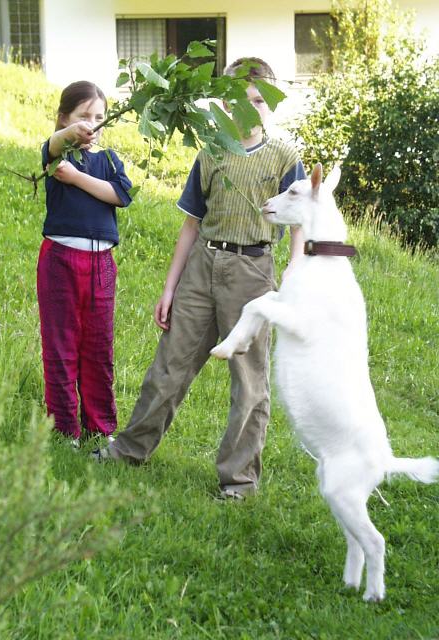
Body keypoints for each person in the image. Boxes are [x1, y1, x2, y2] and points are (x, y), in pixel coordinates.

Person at [95, 58, 306, 499]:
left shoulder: (285, 157)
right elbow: (191, 224)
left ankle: (239, 481)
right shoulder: (211, 151)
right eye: (240, 101)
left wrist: (294, 271)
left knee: (249, 380)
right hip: (202, 266)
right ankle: (129, 449)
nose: (249, 109)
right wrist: (170, 288)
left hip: (252, 272)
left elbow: (300, 221)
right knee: (169, 365)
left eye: (259, 101)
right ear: (225, 104)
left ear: (270, 103)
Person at [37, 80, 132, 447]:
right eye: (83, 117)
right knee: (60, 345)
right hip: (60, 260)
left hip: (100, 264)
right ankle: (64, 429)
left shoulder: (107, 161)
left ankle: (101, 428)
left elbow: (121, 194)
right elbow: (52, 145)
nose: (91, 124)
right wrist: (68, 136)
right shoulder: (59, 156)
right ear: (64, 118)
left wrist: (77, 179)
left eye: (98, 117)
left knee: (98, 347)